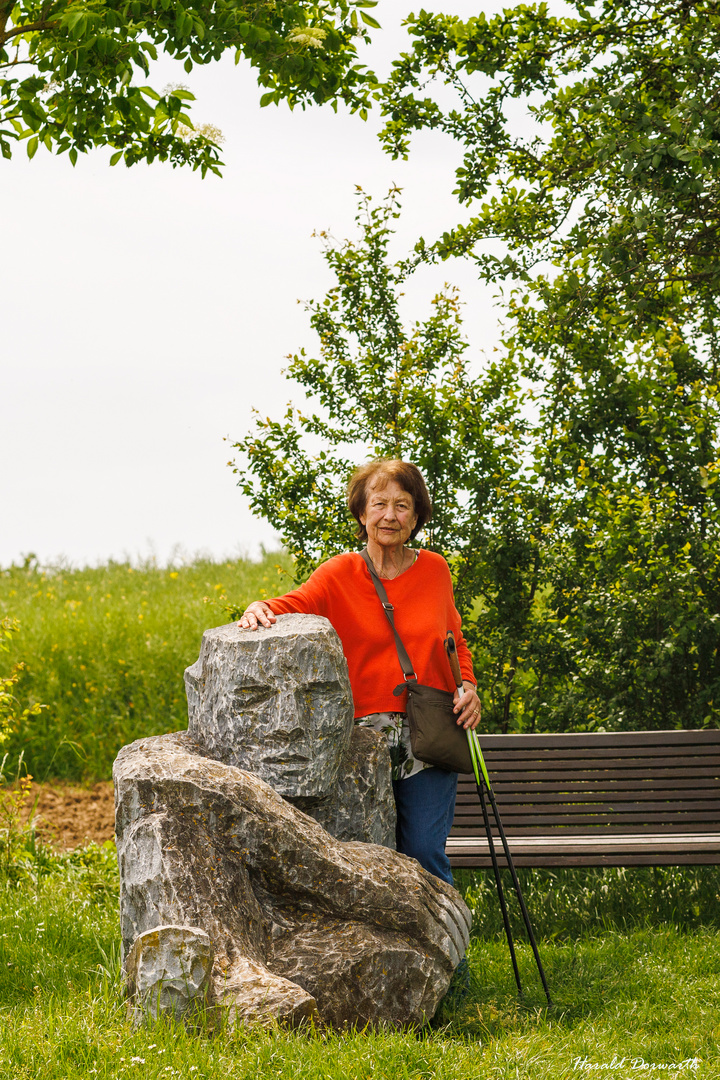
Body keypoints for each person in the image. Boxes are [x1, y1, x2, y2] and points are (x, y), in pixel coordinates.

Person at [239, 458, 481, 887]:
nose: (390, 515)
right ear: (361, 512)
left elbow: (454, 642)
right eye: (380, 504)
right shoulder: (339, 574)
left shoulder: (434, 570)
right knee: (366, 859)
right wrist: (259, 607)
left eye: (403, 505)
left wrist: (468, 687)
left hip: (430, 734)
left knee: (425, 852)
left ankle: (449, 956)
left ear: (417, 515)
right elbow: (289, 605)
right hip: (359, 741)